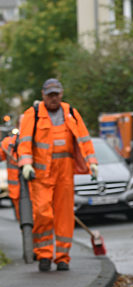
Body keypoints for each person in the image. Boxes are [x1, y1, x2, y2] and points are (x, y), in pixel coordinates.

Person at [17, 78, 98, 272]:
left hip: (65, 171)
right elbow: (25, 142)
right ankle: (44, 254)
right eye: (50, 95)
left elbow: (85, 139)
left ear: (61, 94)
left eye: (56, 94)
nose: (54, 98)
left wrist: (92, 162)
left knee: (64, 215)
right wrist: (26, 164)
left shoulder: (71, 113)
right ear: (43, 95)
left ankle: (63, 257)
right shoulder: (33, 115)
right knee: (43, 213)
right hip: (41, 173)